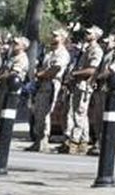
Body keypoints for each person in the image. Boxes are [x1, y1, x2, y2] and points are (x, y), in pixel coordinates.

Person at [61, 26, 103, 154]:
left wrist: (74, 74)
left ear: (96, 36)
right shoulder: (86, 50)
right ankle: (83, 141)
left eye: (89, 33)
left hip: (85, 85)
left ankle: (75, 141)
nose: (86, 34)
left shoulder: (96, 50)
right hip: (78, 85)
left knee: (79, 114)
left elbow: (92, 69)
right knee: (78, 114)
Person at [27, 30, 70, 152]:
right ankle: (38, 139)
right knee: (38, 113)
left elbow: (56, 69)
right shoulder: (50, 52)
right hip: (42, 84)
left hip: (51, 84)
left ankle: (42, 141)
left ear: (62, 38)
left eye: (56, 35)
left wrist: (41, 74)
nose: (53, 37)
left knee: (44, 112)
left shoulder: (62, 53)